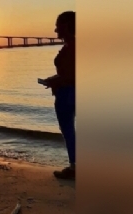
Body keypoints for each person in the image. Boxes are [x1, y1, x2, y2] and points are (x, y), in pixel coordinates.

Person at [43, 11, 76, 180]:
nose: (56, 31)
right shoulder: (70, 46)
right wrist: (54, 79)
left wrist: (58, 81)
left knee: (69, 131)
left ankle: (75, 168)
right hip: (66, 93)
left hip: (68, 94)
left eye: (58, 26)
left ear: (67, 26)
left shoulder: (74, 46)